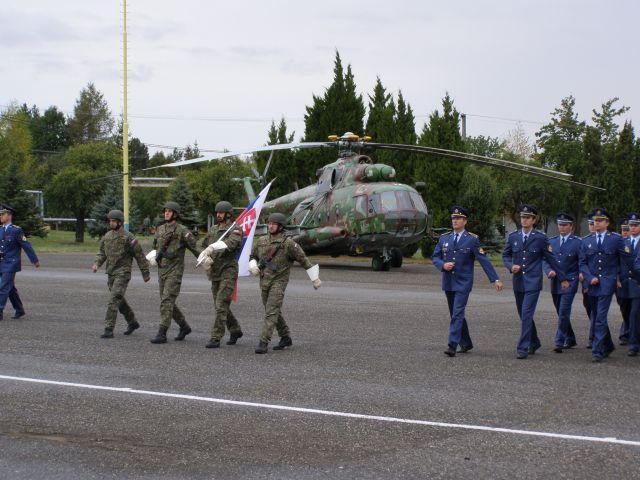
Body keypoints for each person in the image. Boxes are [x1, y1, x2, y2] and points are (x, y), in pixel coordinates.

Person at [432, 206, 503, 357]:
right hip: (449, 281)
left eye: (458, 218)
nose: (455, 221)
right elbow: (435, 257)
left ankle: (452, 345)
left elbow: (483, 260)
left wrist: (495, 279)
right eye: (453, 218)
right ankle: (466, 343)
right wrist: (443, 265)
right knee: (455, 313)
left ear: (465, 221)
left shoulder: (471, 239)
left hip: (463, 283)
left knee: (458, 313)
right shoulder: (444, 238)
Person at [502, 204, 568, 359]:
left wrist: (563, 278)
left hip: (533, 282)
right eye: (522, 217)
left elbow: (551, 258)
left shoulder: (540, 238)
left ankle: (523, 347)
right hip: (518, 281)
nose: (524, 220)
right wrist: (511, 266)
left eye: (527, 217)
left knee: (526, 314)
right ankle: (534, 342)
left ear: (533, 220)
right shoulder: (514, 236)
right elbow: (505, 255)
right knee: (522, 314)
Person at [249, 212, 321, 354]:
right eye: (269, 223)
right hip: (264, 281)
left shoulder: (288, 244)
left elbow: (303, 259)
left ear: (281, 226)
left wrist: (315, 278)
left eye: (274, 224)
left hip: (279, 281)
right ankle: (285, 337)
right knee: (272, 310)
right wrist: (253, 265)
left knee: (271, 311)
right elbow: (253, 255)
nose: (270, 226)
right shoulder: (261, 241)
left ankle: (263, 342)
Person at [579, 207, 633, 363]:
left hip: (608, 283)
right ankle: (608, 346)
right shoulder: (587, 241)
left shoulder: (615, 239)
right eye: (595, 221)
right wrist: (589, 277)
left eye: (600, 220)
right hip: (592, 284)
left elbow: (626, 260)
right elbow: (582, 263)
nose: (597, 223)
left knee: (600, 317)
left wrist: (620, 277)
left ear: (607, 223)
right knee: (596, 315)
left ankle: (597, 350)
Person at [148, 201, 201, 344]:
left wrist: (206, 260)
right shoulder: (160, 229)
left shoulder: (182, 231)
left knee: (166, 300)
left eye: (170, 211)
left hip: (175, 271)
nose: (166, 213)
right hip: (162, 270)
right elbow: (155, 247)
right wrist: (153, 256)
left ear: (175, 214)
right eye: (165, 211)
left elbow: (195, 248)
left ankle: (162, 333)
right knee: (167, 301)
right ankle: (184, 326)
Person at [92, 210, 150, 338]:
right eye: (110, 221)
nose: (111, 223)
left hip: (123, 273)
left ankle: (108, 328)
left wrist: (145, 274)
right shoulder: (107, 236)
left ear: (119, 222)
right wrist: (97, 263)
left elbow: (139, 255)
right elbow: (102, 253)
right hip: (111, 272)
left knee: (114, 299)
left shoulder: (128, 237)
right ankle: (132, 322)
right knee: (119, 300)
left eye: (113, 221)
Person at [198, 200, 244, 349]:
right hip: (215, 272)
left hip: (228, 271)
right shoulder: (213, 229)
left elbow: (231, 244)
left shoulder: (235, 229)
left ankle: (216, 337)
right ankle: (235, 330)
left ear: (228, 214)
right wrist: (204, 256)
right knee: (220, 305)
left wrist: (212, 247)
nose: (218, 215)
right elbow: (200, 244)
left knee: (221, 304)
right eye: (217, 212)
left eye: (221, 212)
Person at [543, 213, 580, 353]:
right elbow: (545, 260)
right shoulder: (552, 242)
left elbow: (581, 262)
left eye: (565, 225)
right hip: (556, 281)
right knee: (560, 311)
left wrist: (581, 276)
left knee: (564, 311)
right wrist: (548, 271)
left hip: (570, 281)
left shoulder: (578, 242)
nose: (562, 227)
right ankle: (570, 338)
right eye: (560, 225)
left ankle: (559, 341)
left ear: (571, 226)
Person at [0, 204, 40, 321]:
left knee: (3, 287)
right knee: (10, 288)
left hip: (11, 263)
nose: (0, 216)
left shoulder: (16, 230)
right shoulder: (1, 230)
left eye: (2, 214)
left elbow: (26, 245)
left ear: (9, 216)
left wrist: (34, 260)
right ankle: (19, 309)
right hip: (2, 262)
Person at [623, 212, 640, 357]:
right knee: (626, 312)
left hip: (638, 283)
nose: (633, 228)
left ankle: (634, 345)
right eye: (631, 225)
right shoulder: (623, 242)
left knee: (635, 313)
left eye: (636, 225)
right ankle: (628, 335)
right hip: (624, 283)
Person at [616, 217, 631, 345]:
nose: (625, 232)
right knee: (624, 308)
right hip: (622, 281)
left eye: (627, 229)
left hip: (635, 281)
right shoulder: (618, 244)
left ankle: (626, 333)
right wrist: (616, 278)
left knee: (635, 309)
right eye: (623, 230)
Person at [581, 215, 596, 349]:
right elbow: (581, 263)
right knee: (589, 307)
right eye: (590, 224)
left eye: (594, 223)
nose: (593, 226)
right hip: (587, 283)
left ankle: (593, 337)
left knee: (596, 311)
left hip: (601, 283)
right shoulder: (584, 241)